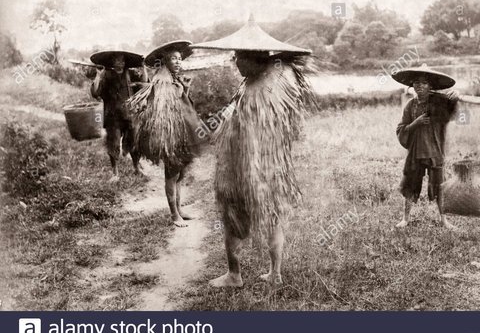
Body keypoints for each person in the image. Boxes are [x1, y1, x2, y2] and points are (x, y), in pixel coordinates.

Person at [192, 15, 313, 287]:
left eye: (238, 57)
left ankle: (241, 275)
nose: (235, 63)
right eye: (235, 57)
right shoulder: (273, 77)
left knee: (242, 217)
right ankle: (269, 274)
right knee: (267, 217)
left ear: (252, 57)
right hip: (266, 167)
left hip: (251, 168)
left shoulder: (265, 86)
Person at [128, 41, 202, 227]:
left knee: (179, 173)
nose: (177, 62)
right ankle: (174, 215)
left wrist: (183, 88)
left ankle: (179, 208)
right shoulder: (162, 80)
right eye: (173, 59)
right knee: (171, 173)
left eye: (179, 59)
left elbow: (181, 102)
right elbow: (163, 110)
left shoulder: (174, 78)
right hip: (171, 133)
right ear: (165, 61)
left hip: (182, 130)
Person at [392, 63, 459, 230]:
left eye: (423, 83)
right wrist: (416, 123)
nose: (419, 86)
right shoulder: (410, 105)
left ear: (430, 86)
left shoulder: (439, 103)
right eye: (416, 82)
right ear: (412, 86)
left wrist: (454, 98)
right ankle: (405, 219)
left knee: (439, 186)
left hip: (434, 150)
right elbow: (401, 129)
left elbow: (452, 113)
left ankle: (444, 220)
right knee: (409, 184)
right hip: (415, 151)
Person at [89, 51, 148, 181]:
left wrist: (143, 68)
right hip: (113, 116)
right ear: (112, 62)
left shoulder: (130, 74)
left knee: (134, 142)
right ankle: (115, 173)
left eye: (122, 60)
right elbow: (95, 92)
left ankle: (136, 168)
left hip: (130, 114)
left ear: (125, 62)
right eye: (116, 60)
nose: (119, 63)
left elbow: (144, 85)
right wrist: (98, 75)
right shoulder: (106, 75)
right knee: (113, 143)